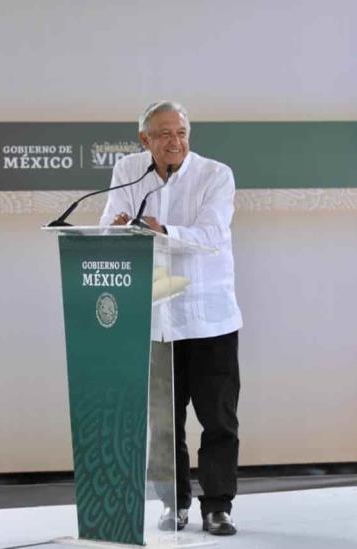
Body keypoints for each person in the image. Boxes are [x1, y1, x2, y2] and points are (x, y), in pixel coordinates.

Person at [100, 100, 243, 536]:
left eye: (180, 132)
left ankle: (217, 507)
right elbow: (109, 223)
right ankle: (174, 504)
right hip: (156, 315)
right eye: (163, 134)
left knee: (218, 420)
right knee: (164, 423)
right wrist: (122, 228)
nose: (174, 141)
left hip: (209, 318)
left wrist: (163, 232)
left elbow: (212, 235)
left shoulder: (215, 175)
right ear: (145, 140)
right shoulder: (129, 170)